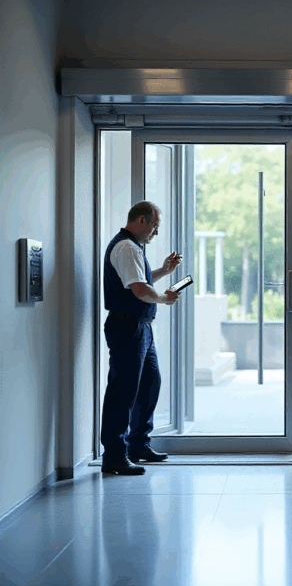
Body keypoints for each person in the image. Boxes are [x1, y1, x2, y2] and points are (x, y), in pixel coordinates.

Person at [101, 201, 182, 475]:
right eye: (154, 226)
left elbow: (139, 280)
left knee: (149, 383)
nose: (155, 233)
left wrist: (163, 272)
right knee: (122, 392)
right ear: (141, 221)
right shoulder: (126, 247)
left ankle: (137, 445)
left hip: (139, 326)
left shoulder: (132, 248)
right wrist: (165, 298)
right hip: (129, 327)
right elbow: (138, 290)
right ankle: (114, 455)